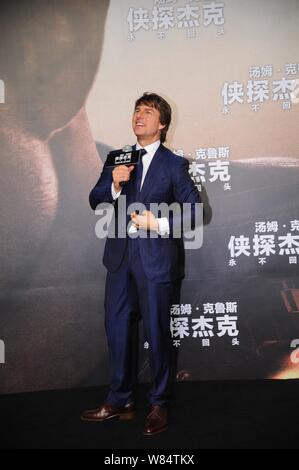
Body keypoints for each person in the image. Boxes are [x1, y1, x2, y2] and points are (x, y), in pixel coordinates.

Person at [81, 93, 201, 435]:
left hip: (156, 261)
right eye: (136, 110)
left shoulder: (174, 164)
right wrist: (115, 185)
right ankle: (120, 400)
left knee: (157, 334)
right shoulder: (118, 157)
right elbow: (95, 198)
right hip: (119, 261)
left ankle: (159, 402)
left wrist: (159, 223)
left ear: (162, 124)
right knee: (117, 331)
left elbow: (194, 210)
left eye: (147, 112)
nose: (139, 116)